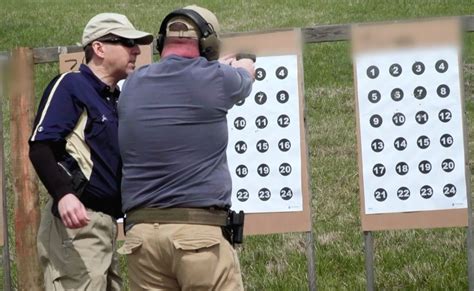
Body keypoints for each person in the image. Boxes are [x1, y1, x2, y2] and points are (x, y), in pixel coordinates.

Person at [117, 4, 255, 291]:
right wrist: (242, 65)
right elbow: (244, 79)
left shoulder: (132, 84)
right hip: (197, 234)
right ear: (208, 44)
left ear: (160, 43)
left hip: (141, 237)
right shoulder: (217, 77)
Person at [29, 13, 153, 290]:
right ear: (99, 48)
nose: (136, 49)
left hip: (105, 225)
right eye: (127, 42)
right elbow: (40, 147)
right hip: (76, 225)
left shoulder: (115, 98)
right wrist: (64, 194)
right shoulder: (71, 85)